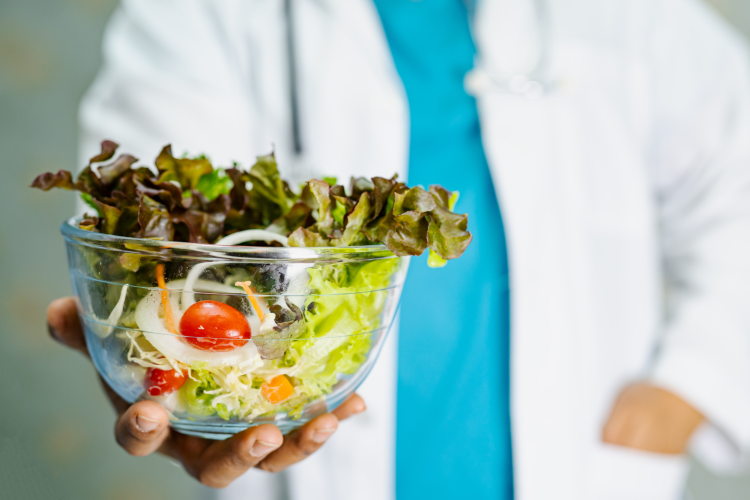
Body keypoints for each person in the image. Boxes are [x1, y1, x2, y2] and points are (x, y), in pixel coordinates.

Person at [45, 0, 750, 499]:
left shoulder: (639, 16)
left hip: (585, 464)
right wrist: (177, 381)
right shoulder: (198, 15)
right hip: (300, 456)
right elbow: (144, 244)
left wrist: (694, 382)